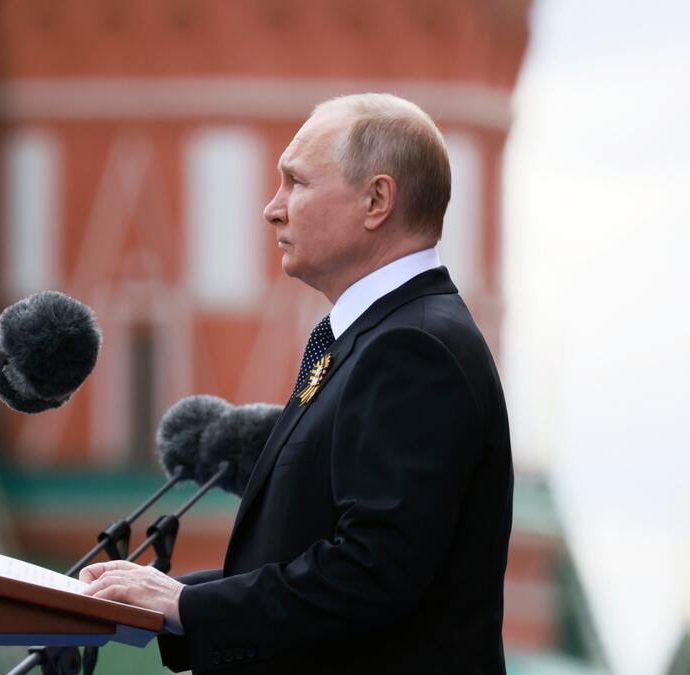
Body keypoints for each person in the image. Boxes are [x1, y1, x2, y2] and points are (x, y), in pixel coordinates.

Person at [79, 93, 513, 674]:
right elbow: (311, 555)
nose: (272, 209)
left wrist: (188, 605)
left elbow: (372, 572)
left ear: (377, 200)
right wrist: (161, 599)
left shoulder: (412, 348)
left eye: (297, 183)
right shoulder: (373, 337)